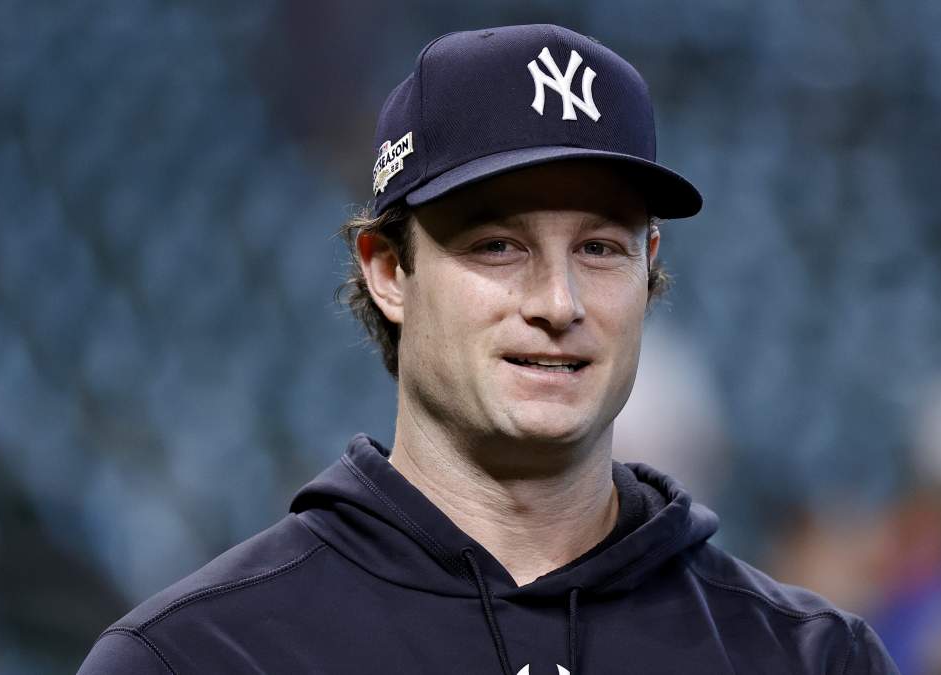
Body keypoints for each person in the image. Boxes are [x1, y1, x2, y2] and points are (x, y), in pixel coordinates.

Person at [78, 24, 898, 674]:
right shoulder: (197, 656)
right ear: (389, 271)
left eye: (600, 248)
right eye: (498, 246)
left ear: (649, 269)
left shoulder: (811, 657)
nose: (558, 303)